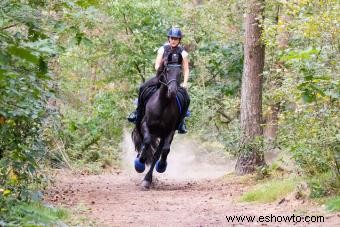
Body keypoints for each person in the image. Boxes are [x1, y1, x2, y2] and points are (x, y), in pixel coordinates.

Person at [127, 27, 190, 134]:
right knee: (142, 87)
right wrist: (162, 69)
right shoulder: (163, 49)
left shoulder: (182, 53)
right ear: (169, 38)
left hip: (174, 81)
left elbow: (186, 69)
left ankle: (181, 122)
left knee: (187, 98)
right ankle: (137, 112)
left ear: (179, 40)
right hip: (161, 78)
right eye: (172, 38)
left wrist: (184, 83)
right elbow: (156, 65)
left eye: (176, 38)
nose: (173, 40)